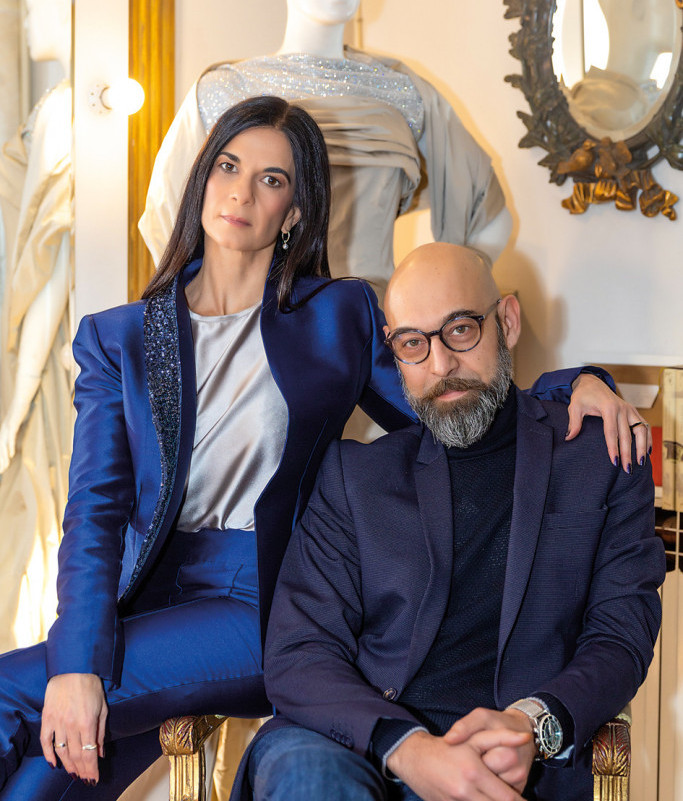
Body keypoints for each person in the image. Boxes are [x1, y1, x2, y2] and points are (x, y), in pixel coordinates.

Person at [0, 98, 646, 801]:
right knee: (43, 775)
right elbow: (94, 510)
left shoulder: (337, 316)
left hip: (259, 604)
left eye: (272, 179)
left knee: (9, 691)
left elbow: (444, 388)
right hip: (148, 606)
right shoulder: (117, 336)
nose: (242, 192)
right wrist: (79, 657)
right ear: (202, 177)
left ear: (296, 212)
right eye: (227, 166)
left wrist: (576, 383)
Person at [241, 243, 665, 801]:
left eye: (461, 329)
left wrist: (533, 724)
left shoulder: (602, 455)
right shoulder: (355, 476)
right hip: (354, 749)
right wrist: (406, 748)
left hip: (509, 761)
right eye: (413, 343)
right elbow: (298, 650)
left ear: (506, 321)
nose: (440, 366)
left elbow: (620, 634)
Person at [139, 0, 512, 299]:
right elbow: (166, 218)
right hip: (254, 324)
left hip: (369, 330)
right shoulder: (220, 92)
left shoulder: (404, 96)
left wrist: (438, 304)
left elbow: (490, 216)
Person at [0, 0, 73, 653]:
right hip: (34, 345)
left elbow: (55, 266)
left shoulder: (71, 111)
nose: (26, 19)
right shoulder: (58, 104)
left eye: (38, 6)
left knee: (44, 511)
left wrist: (18, 404)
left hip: (47, 353)